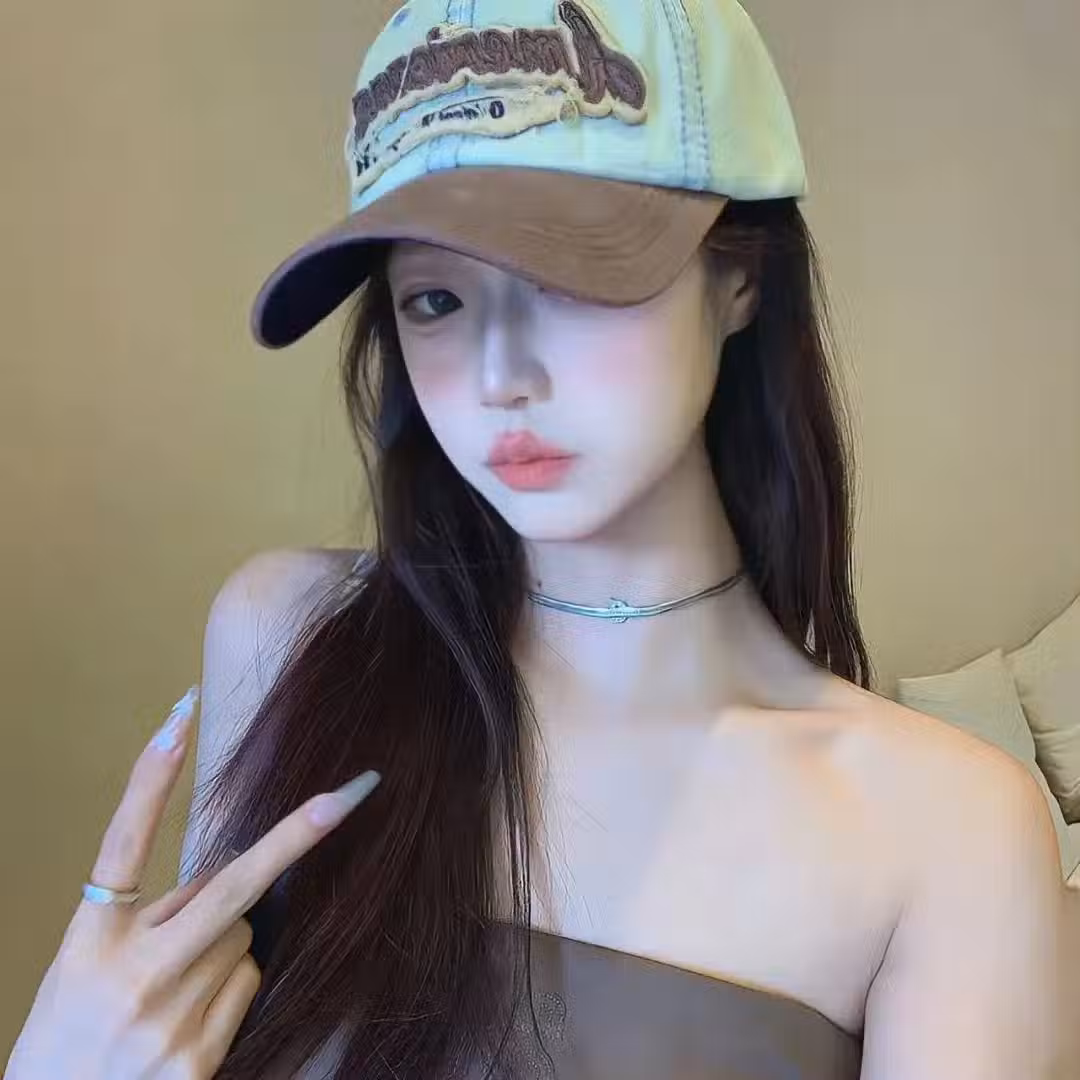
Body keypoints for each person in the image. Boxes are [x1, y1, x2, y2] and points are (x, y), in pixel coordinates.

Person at [7, 1, 1072, 1077]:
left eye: (572, 277)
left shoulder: (948, 834)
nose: (498, 375)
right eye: (435, 300)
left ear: (741, 275)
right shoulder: (290, 636)